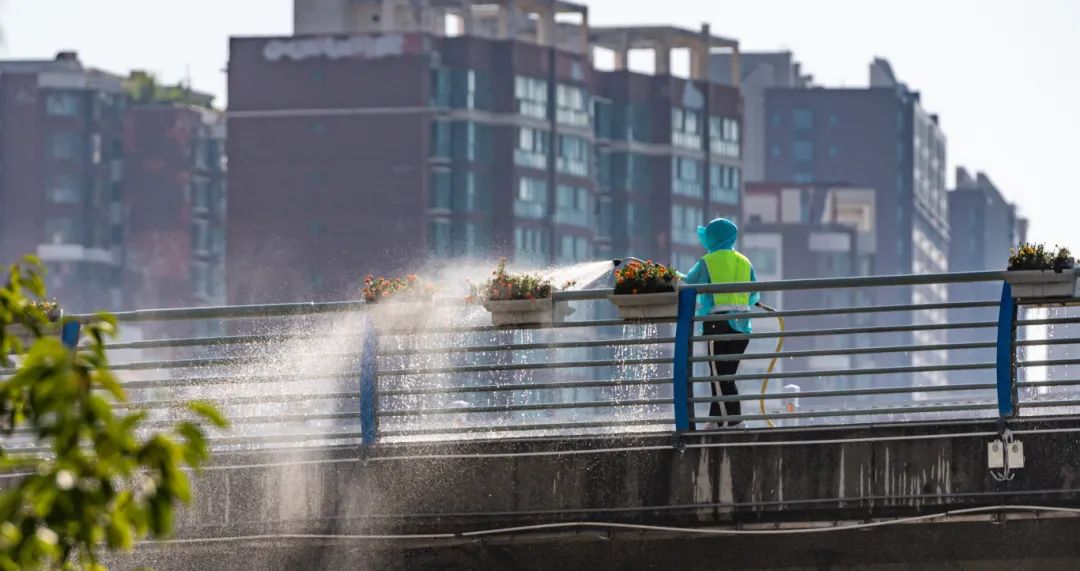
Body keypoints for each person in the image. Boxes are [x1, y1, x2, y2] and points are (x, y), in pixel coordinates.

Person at [683, 218, 759, 428]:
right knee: (724, 375)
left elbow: (690, 281)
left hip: (718, 324)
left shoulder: (709, 261)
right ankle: (715, 421)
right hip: (742, 327)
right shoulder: (744, 261)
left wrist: (672, 275)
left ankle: (735, 422)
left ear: (713, 237)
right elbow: (754, 294)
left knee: (720, 376)